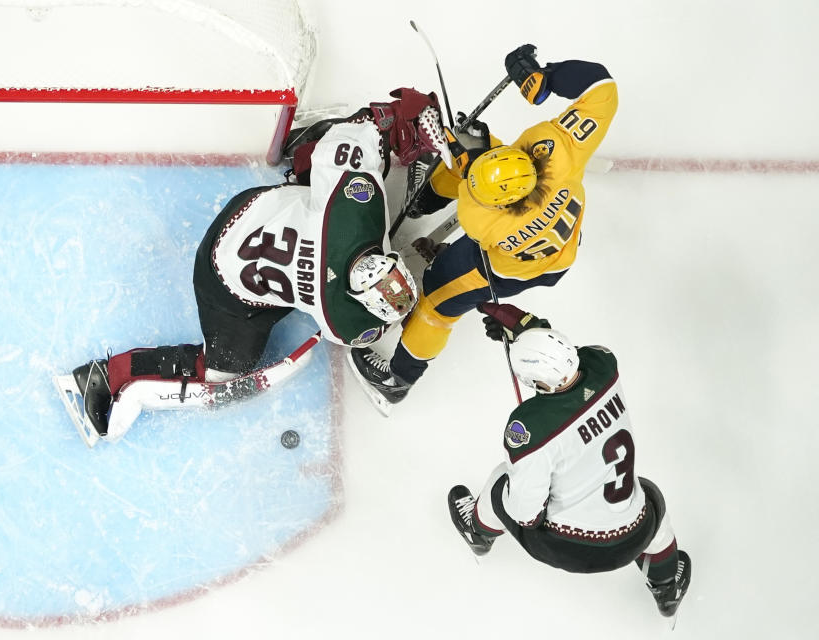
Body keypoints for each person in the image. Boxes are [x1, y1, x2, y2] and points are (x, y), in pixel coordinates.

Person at [64, 90, 451, 442]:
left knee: (340, 172)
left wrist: (410, 117)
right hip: (223, 283)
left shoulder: (356, 209)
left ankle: (306, 148)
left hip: (250, 210)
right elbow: (386, 323)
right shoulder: (348, 325)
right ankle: (106, 376)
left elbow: (369, 126)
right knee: (220, 374)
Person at [350, 44, 619, 408]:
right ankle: (423, 200)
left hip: (509, 268)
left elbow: (471, 182)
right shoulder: (560, 149)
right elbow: (601, 86)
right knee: (471, 154)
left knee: (436, 301)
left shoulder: (483, 222)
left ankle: (397, 380)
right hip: (559, 239)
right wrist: (547, 77)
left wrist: (464, 156)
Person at [447, 302, 691, 618]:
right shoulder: (604, 364)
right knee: (650, 500)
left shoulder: (530, 426)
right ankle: (666, 585)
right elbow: (572, 357)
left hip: (572, 549)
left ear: (537, 383)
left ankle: (477, 532)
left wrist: (541, 508)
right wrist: (527, 328)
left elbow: (525, 514)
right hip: (636, 535)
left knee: (500, 484)